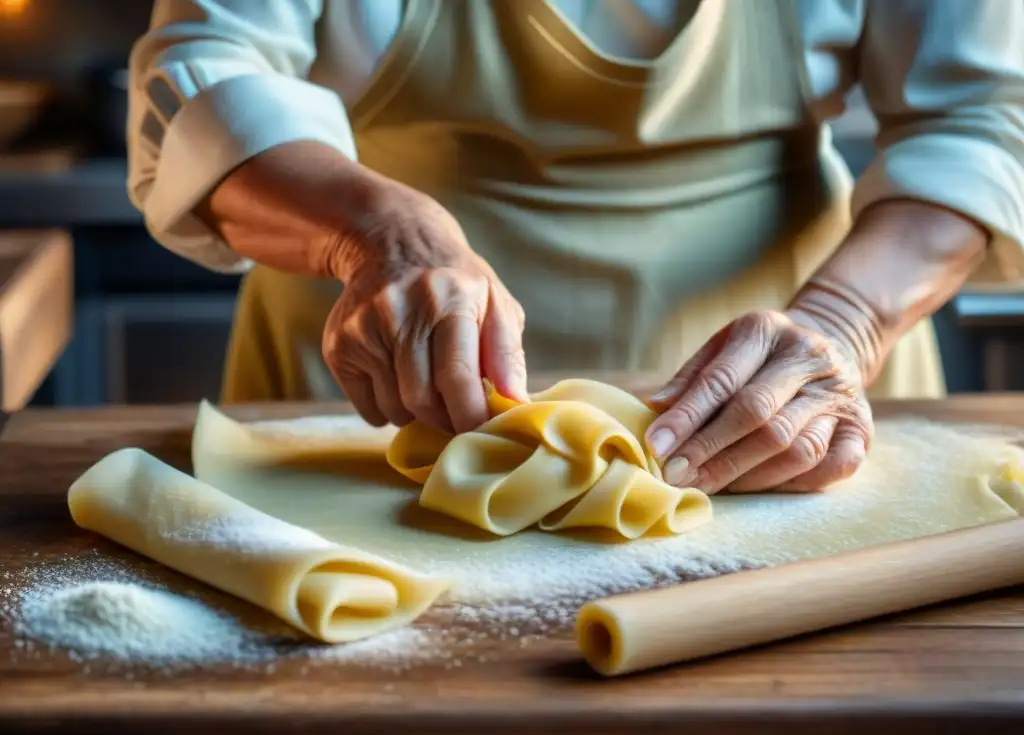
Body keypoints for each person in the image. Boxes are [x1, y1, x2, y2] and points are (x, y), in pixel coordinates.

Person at [126, 0, 1024, 495]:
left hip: (792, 386)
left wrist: (850, 318)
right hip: (379, 380)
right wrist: (380, 236)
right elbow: (206, 80)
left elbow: (985, 121)